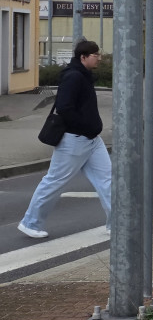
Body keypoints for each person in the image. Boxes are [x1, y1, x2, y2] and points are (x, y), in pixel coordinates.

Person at [18, 40, 111, 239]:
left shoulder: (84, 76)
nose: (99, 59)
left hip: (92, 141)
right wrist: (85, 127)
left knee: (107, 181)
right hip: (74, 140)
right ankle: (30, 223)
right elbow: (64, 107)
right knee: (54, 182)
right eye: (96, 55)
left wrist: (91, 129)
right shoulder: (73, 77)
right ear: (83, 57)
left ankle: (117, 223)